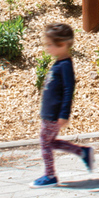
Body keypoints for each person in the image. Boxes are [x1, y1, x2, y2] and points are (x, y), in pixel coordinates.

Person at [34, 22, 93, 186]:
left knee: (45, 143)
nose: (47, 48)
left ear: (62, 44)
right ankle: (82, 152)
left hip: (54, 114)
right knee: (50, 142)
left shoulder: (65, 65)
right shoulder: (59, 63)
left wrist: (63, 114)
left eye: (49, 45)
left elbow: (68, 90)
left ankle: (50, 176)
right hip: (49, 113)